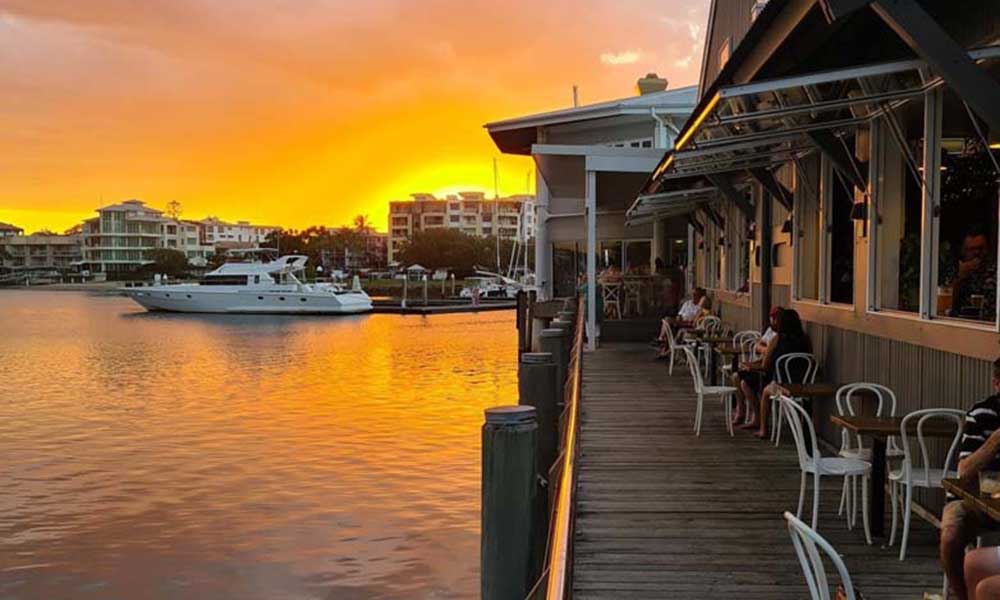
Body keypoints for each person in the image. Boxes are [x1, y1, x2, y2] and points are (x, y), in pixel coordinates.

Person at [941, 357, 1000, 600]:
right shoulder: (981, 413)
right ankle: (962, 595)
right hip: (974, 500)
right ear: (997, 384)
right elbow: (964, 471)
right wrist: (994, 441)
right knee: (950, 534)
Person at [735, 309, 811, 438]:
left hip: (781, 384)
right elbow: (809, 358)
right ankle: (804, 430)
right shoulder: (805, 339)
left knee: (764, 392)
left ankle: (763, 428)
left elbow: (764, 366)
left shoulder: (777, 339)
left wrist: (751, 366)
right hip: (802, 383)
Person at [730, 306, 783, 425]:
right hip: (768, 368)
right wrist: (766, 350)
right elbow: (758, 345)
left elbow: (765, 364)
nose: (773, 321)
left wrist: (757, 361)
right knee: (735, 376)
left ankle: (756, 416)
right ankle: (741, 409)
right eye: (772, 318)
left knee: (745, 383)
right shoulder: (772, 332)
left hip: (772, 375)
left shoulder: (778, 338)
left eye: (776, 318)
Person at [949, 226, 996, 322]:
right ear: (963, 251)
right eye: (972, 249)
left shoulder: (996, 273)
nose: (977, 253)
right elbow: (943, 305)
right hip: (961, 324)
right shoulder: (955, 272)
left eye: (981, 248)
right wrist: (960, 278)